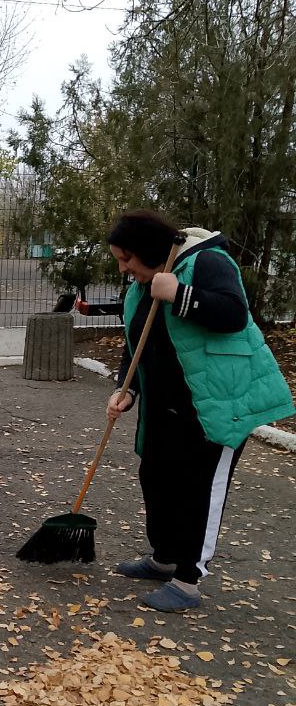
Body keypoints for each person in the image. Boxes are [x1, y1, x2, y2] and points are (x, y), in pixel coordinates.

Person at [105, 209, 293, 612]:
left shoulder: (208, 260)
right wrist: (128, 389)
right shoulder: (144, 284)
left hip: (218, 404)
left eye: (126, 258)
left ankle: (187, 581)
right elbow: (137, 342)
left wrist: (180, 294)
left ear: (147, 249)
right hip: (165, 407)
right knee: (156, 477)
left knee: (199, 489)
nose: (123, 269)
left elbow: (233, 314)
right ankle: (165, 558)